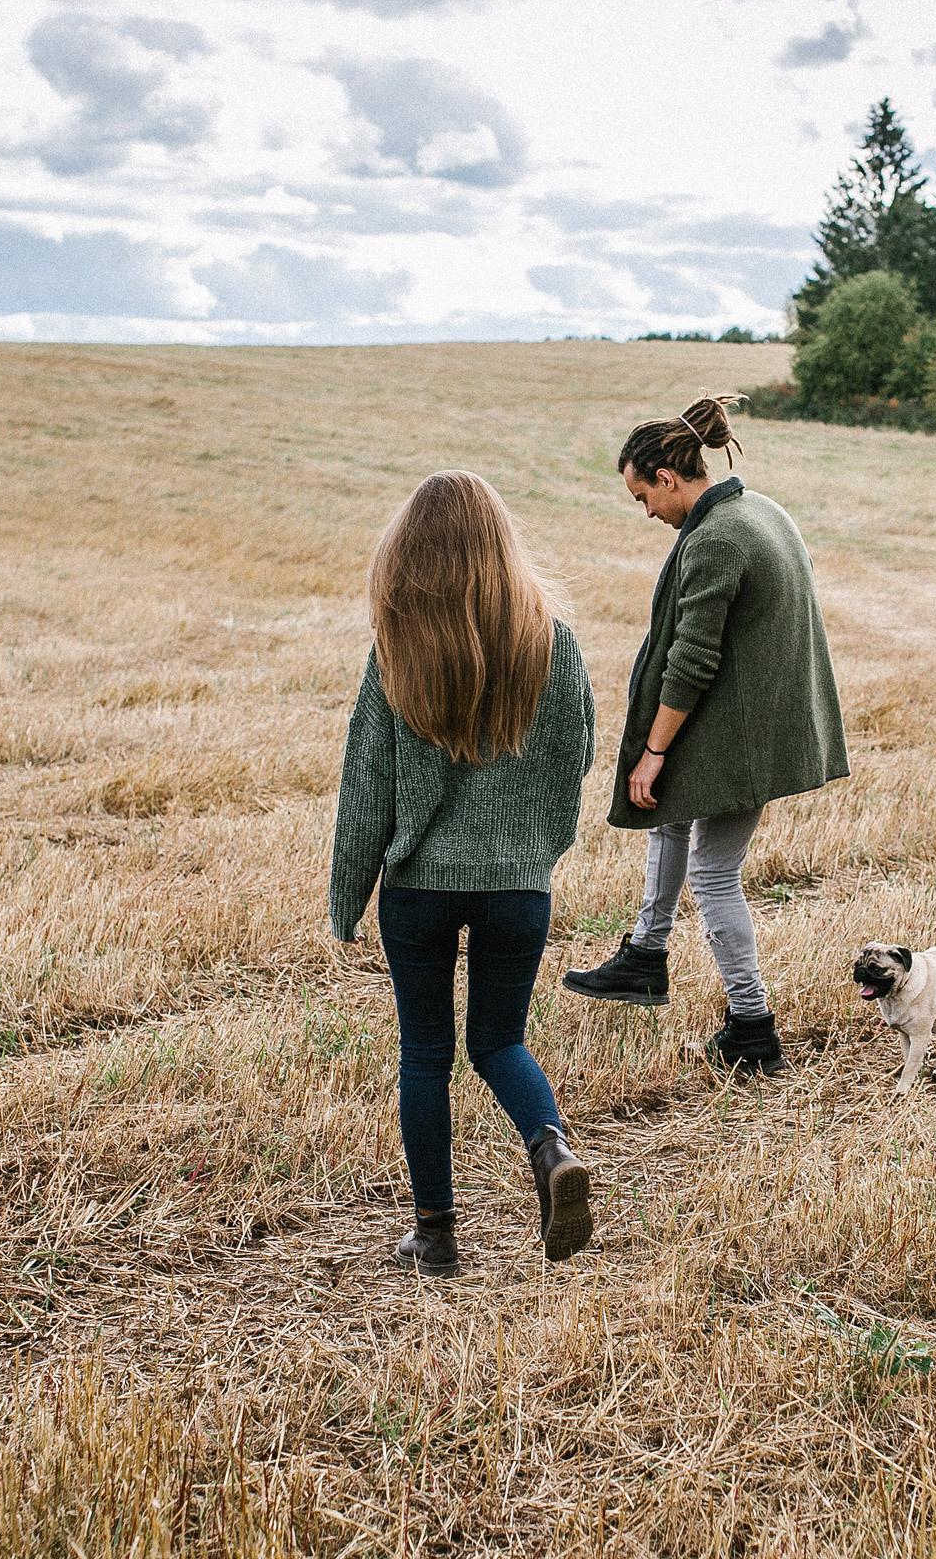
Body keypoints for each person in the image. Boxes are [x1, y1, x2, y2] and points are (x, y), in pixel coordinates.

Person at [329, 470, 597, 1277]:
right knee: (499, 1040)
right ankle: (550, 1151)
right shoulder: (554, 642)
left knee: (425, 1055)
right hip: (518, 886)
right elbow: (576, 756)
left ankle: (437, 1234)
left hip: (420, 891)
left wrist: (346, 896)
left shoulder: (398, 654)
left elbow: (365, 785)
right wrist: (537, 848)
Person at [561, 395, 848, 1075]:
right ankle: (645, 956)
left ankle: (752, 1027)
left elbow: (693, 659)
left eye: (642, 498)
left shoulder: (716, 537)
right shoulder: (760, 510)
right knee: (667, 818)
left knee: (715, 876)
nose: (647, 512)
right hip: (760, 727)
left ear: (667, 476)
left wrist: (653, 750)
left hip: (742, 739)